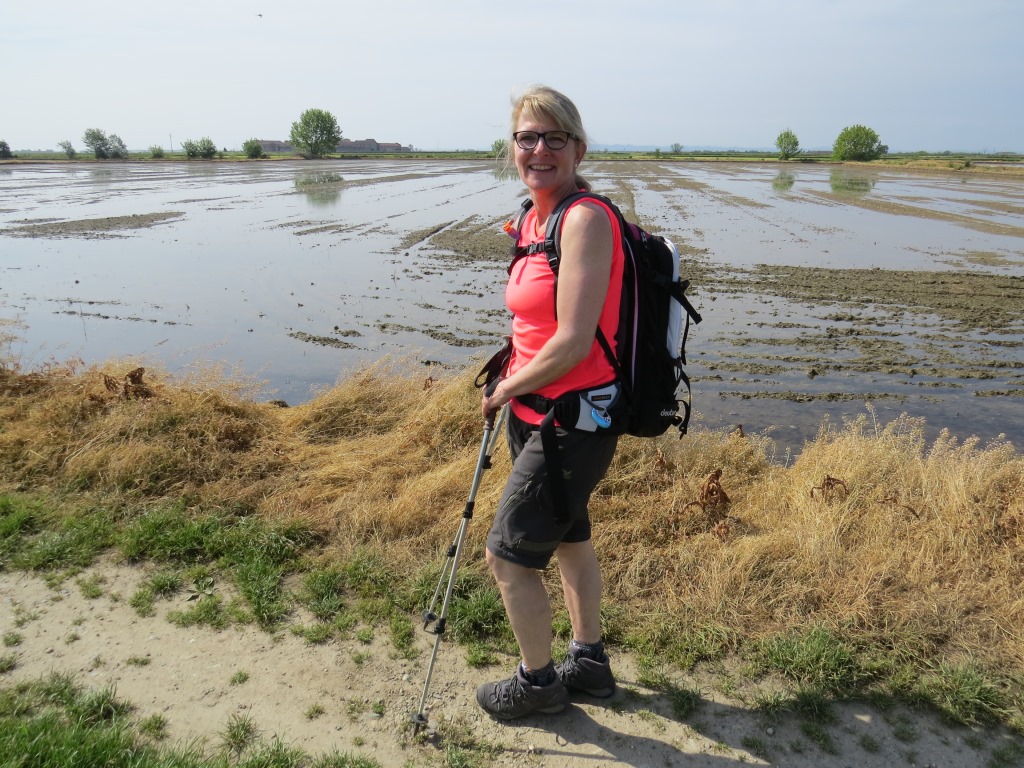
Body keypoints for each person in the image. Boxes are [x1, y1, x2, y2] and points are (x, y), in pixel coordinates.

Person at [477, 85, 624, 720]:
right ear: (513, 147)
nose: (538, 149)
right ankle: (588, 664)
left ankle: (538, 685)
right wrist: (512, 376)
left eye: (553, 138)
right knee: (569, 539)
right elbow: (534, 325)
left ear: (578, 149)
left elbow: (571, 342)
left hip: (574, 417)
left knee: (507, 557)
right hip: (534, 410)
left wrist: (504, 388)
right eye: (526, 138)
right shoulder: (532, 218)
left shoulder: (584, 219)